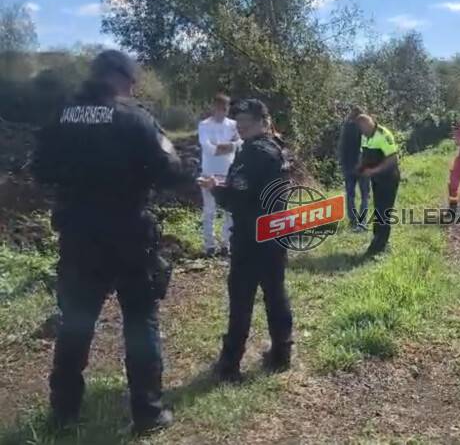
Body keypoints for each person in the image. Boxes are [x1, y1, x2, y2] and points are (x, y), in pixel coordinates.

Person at [31, 50, 183, 434]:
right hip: (129, 233)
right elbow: (171, 170)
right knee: (140, 320)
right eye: (132, 83)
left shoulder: (61, 116)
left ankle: (64, 412)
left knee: (76, 322)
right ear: (121, 79)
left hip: (79, 235)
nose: (133, 89)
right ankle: (148, 412)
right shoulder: (135, 118)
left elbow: (40, 169)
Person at [197, 99, 294, 382]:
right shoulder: (278, 147)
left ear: (263, 122)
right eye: (238, 123)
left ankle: (229, 365)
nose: (241, 128)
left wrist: (216, 188)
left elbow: (238, 198)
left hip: (252, 236)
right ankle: (281, 353)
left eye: (246, 123)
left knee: (241, 299)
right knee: (275, 293)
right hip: (276, 230)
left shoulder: (253, 153)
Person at [198, 94, 241, 257]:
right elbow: (208, 148)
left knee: (229, 211)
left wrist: (225, 147)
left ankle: (226, 244)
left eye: (225, 108)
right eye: (219, 108)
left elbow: (240, 143)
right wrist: (230, 146)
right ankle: (209, 245)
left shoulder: (233, 125)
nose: (222, 111)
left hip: (228, 172)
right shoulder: (204, 125)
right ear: (213, 107)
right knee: (209, 210)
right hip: (209, 171)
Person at [354, 114, 401, 256]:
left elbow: (393, 159)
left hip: (389, 178)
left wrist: (373, 170)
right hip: (377, 179)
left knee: (384, 211)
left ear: (370, 124)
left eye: (364, 128)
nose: (362, 132)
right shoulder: (365, 136)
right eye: (360, 129)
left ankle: (382, 245)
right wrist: (360, 168)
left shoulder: (383, 135)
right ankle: (377, 239)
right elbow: (364, 155)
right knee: (378, 210)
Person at [338, 105, 370, 232]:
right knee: (365, 195)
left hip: (348, 166)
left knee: (350, 194)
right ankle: (362, 221)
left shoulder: (346, 128)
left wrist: (342, 164)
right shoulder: (365, 128)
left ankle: (353, 220)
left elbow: (341, 148)